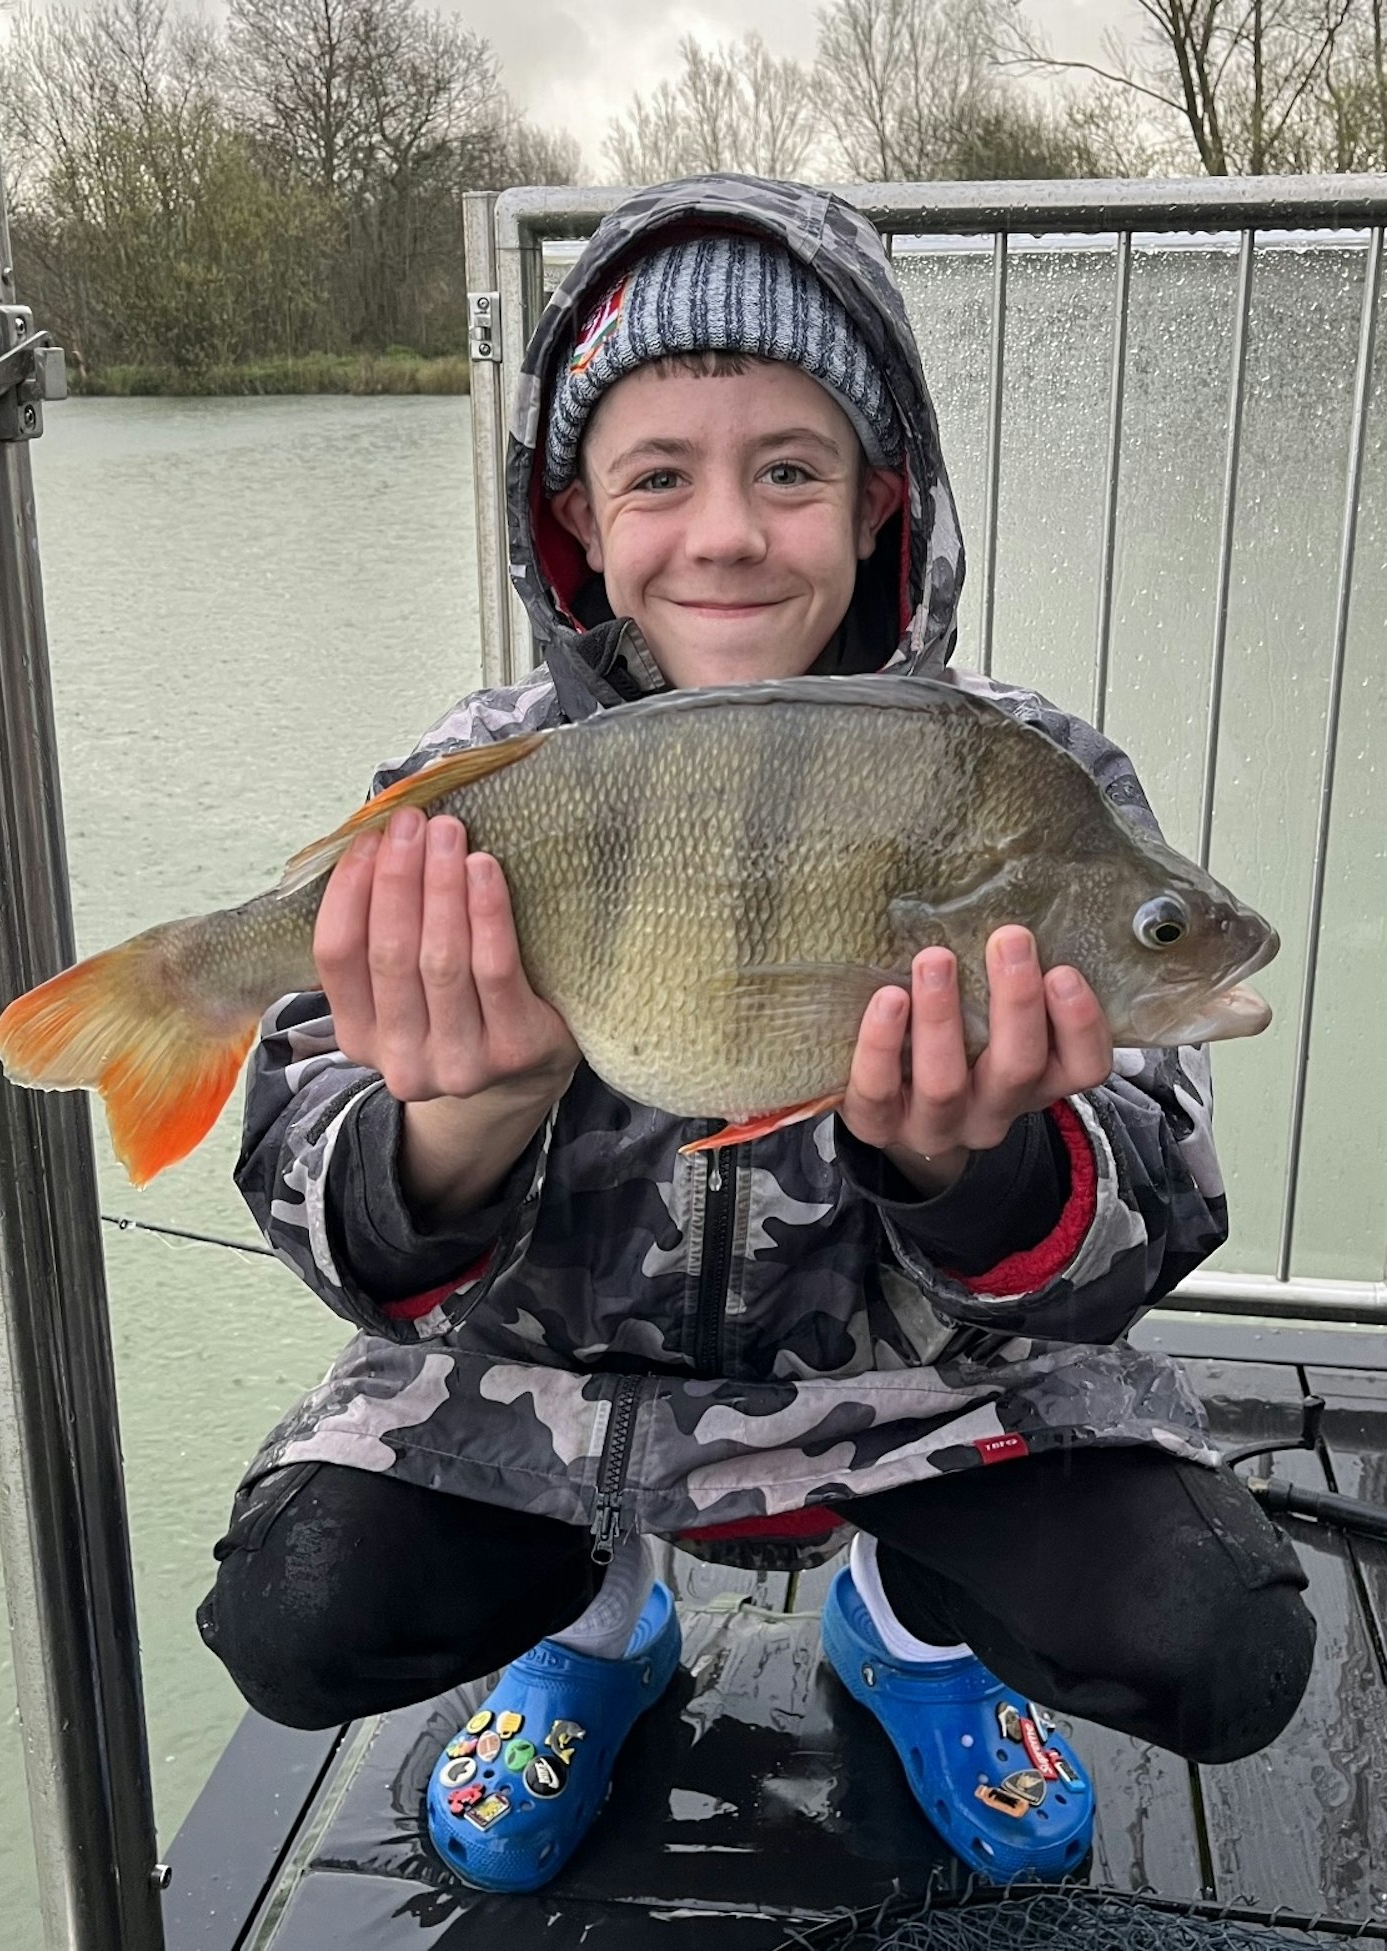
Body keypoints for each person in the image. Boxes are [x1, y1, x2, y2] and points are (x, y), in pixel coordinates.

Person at [198, 174, 1314, 1894]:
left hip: (923, 1399)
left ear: (882, 505)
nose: (726, 530)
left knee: (1219, 1643)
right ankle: (602, 1624)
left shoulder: (1035, 776)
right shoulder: (471, 778)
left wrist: (978, 1170)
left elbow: (1144, 1217)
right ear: (579, 521)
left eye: (788, 469)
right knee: (297, 1617)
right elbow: (314, 1194)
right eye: (660, 475)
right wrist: (457, 1126)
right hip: (551, 1396)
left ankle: (900, 1627)